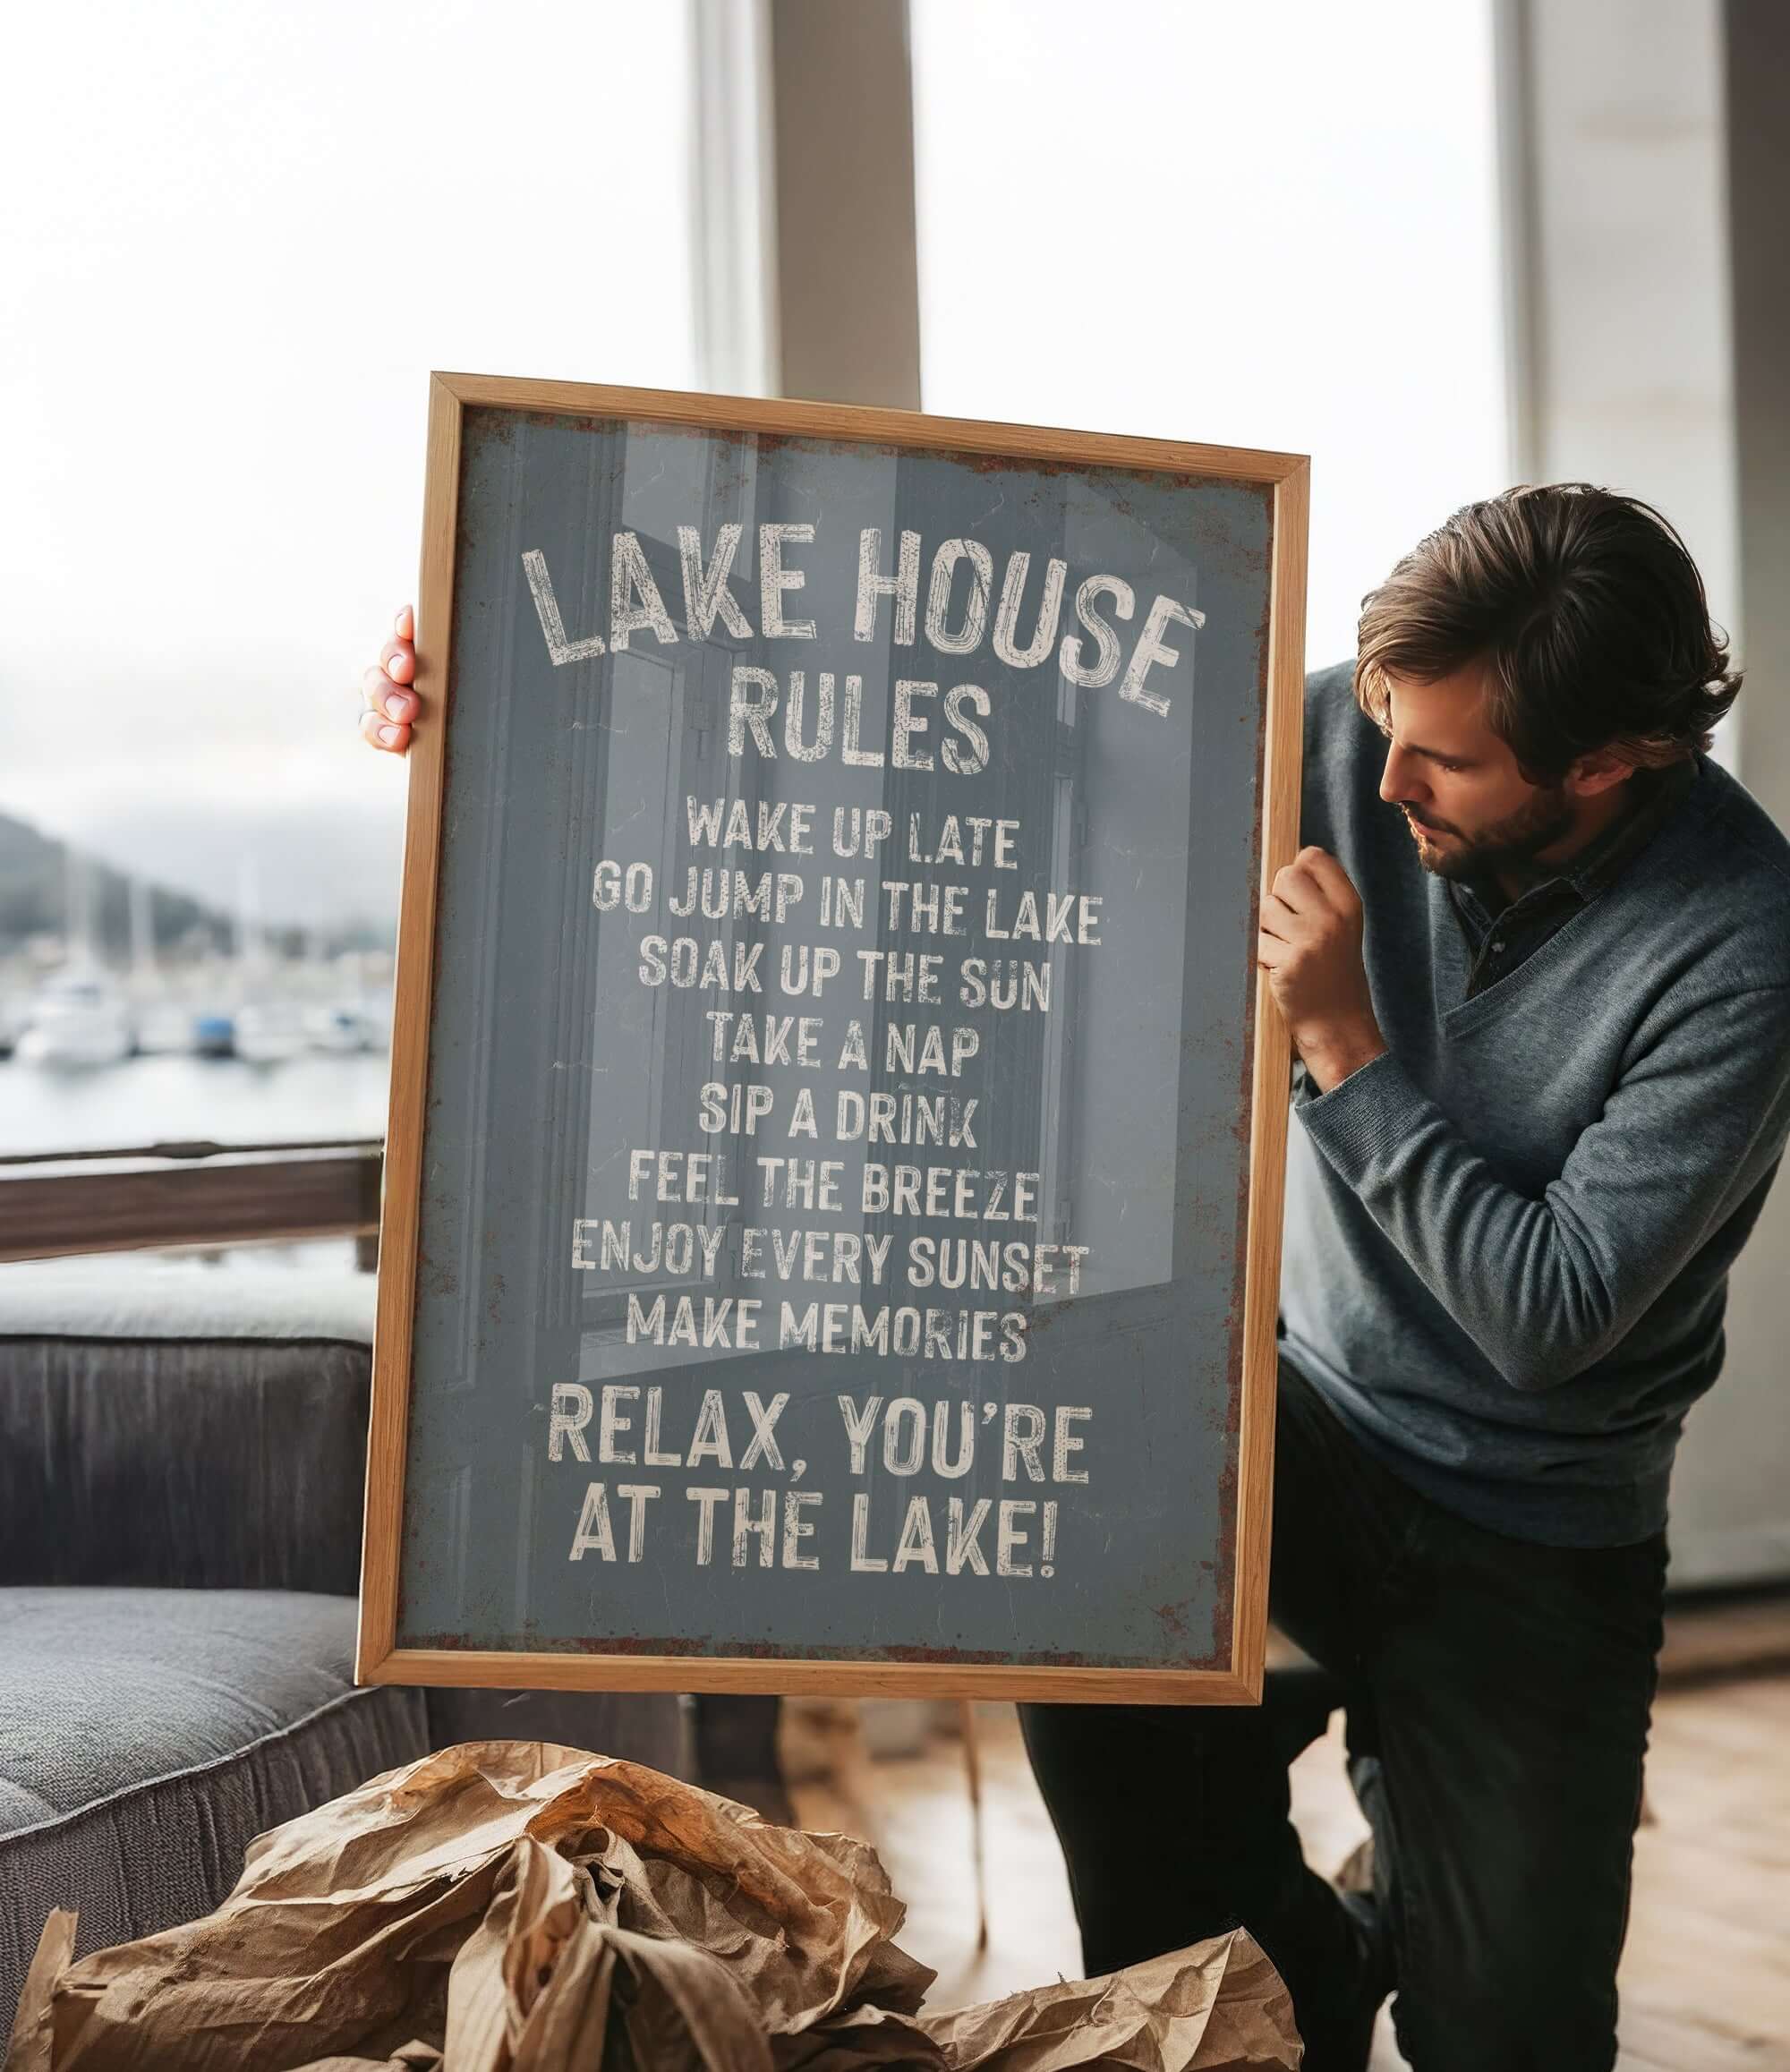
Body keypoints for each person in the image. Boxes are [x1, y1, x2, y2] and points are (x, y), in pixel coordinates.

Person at [357, 485, 1790, 2071]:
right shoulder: (1339, 741)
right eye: (1382, 722)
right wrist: (513, 699)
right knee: (1171, 1879)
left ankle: (1434, 1909)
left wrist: (1342, 1045)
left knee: (1512, 2042)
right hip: (1303, 1420)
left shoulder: (1744, 938)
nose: (1383, 781)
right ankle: (1320, 1953)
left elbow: (1551, 1317)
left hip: (1540, 1512)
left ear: (1607, 762)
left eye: (1440, 760)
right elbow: (930, 735)